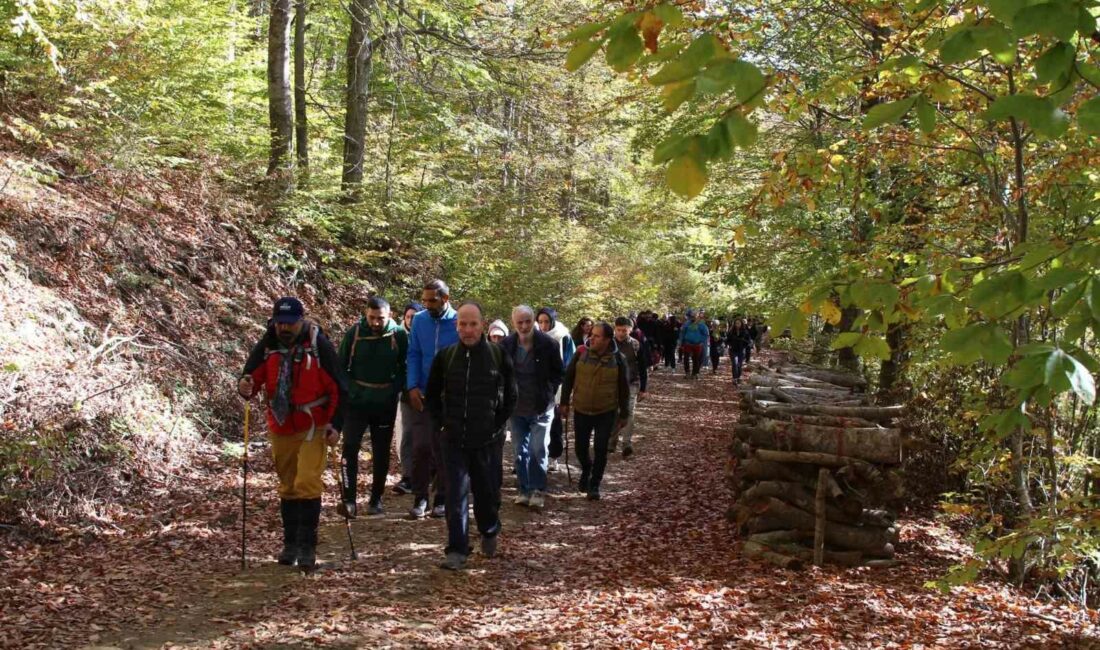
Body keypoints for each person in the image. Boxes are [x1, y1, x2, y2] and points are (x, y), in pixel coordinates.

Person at [237, 297, 345, 570]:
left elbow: (339, 387)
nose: (284, 327)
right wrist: (245, 385)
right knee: (287, 484)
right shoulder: (268, 343)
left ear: (301, 320)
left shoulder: (318, 344)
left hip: (314, 423)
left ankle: (307, 546)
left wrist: (336, 424)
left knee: (307, 481)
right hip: (281, 424)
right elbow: (251, 376)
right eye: (280, 322)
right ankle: (291, 544)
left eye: (290, 323)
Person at [425, 302, 517, 571]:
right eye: (463, 324)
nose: (468, 329)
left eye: (473, 324)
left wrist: (497, 427)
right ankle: (457, 548)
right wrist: (441, 425)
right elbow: (431, 396)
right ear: (456, 326)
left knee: (486, 493)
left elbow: (511, 396)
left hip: (486, 440)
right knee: (455, 494)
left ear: (482, 325)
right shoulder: (445, 357)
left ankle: (489, 529)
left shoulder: (498, 355)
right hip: (452, 439)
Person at [336, 296, 407, 517]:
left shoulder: (399, 334)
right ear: (366, 314)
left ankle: (376, 499)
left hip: (384, 403)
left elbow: (406, 365)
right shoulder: (355, 332)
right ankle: (349, 501)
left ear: (390, 316)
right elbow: (340, 366)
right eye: (372, 317)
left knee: (381, 452)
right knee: (349, 448)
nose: (376, 322)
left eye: (381, 318)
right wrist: (350, 390)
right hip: (356, 403)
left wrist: (393, 388)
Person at [500, 305, 563, 510]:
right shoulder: (506, 345)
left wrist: (549, 390)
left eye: (528, 321)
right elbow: (500, 374)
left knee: (538, 449)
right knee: (520, 451)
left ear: (533, 320)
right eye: (520, 322)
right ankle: (524, 489)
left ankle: (538, 489)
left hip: (541, 406)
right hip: (517, 408)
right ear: (513, 323)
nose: (524, 326)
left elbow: (558, 372)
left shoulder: (548, 344)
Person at [560, 322, 631, 501]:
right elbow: (568, 378)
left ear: (607, 340)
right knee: (580, 448)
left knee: (601, 448)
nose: (591, 338)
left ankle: (595, 484)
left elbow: (624, 389)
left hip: (606, 412)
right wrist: (564, 402)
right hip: (582, 409)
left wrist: (624, 414)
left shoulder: (618, 359)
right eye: (591, 334)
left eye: (596, 336)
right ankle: (586, 468)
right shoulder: (581, 353)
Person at [406, 280, 458, 519]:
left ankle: (442, 497)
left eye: (432, 300)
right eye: (424, 300)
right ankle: (420, 497)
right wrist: (412, 386)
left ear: (445, 299)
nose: (427, 304)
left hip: (450, 396)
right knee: (421, 446)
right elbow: (414, 353)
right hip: (423, 393)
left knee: (445, 447)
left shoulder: (458, 321)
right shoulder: (419, 320)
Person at [536, 307, 575, 474]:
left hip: (557, 387)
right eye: (540, 322)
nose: (543, 325)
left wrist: (565, 389)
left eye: (546, 322)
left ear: (552, 321)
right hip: (536, 387)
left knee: (555, 425)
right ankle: (537, 458)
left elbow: (569, 362)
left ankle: (554, 456)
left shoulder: (563, 336)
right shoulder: (534, 335)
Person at [393, 302, 423, 497]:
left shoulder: (426, 333)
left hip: (429, 390)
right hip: (406, 392)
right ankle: (408, 476)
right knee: (408, 434)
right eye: (408, 316)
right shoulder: (397, 337)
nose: (411, 319)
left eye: (415, 316)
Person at [611, 317, 647, 458]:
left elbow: (642, 367)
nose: (621, 333)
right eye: (618, 330)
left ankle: (627, 444)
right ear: (615, 329)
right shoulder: (609, 344)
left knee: (629, 413)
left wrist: (643, 388)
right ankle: (611, 441)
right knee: (614, 412)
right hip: (612, 384)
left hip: (631, 383)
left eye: (624, 330)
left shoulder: (636, 345)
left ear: (630, 330)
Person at [678, 309, 710, 379]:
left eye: (694, 316)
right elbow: (682, 333)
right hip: (687, 343)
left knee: (696, 359)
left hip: (697, 344)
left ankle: (694, 373)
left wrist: (701, 341)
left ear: (697, 316)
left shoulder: (701, 324)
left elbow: (706, 334)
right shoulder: (687, 323)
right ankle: (687, 373)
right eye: (692, 316)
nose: (693, 317)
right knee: (686, 358)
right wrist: (680, 342)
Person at [726, 320, 751, 385]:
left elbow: (748, 341)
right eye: (736, 323)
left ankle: (738, 377)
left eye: (739, 323)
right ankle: (734, 378)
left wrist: (744, 346)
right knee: (735, 363)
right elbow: (727, 340)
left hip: (741, 351)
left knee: (739, 365)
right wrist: (729, 345)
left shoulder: (745, 332)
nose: (737, 324)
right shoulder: (731, 331)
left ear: (741, 324)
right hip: (733, 350)